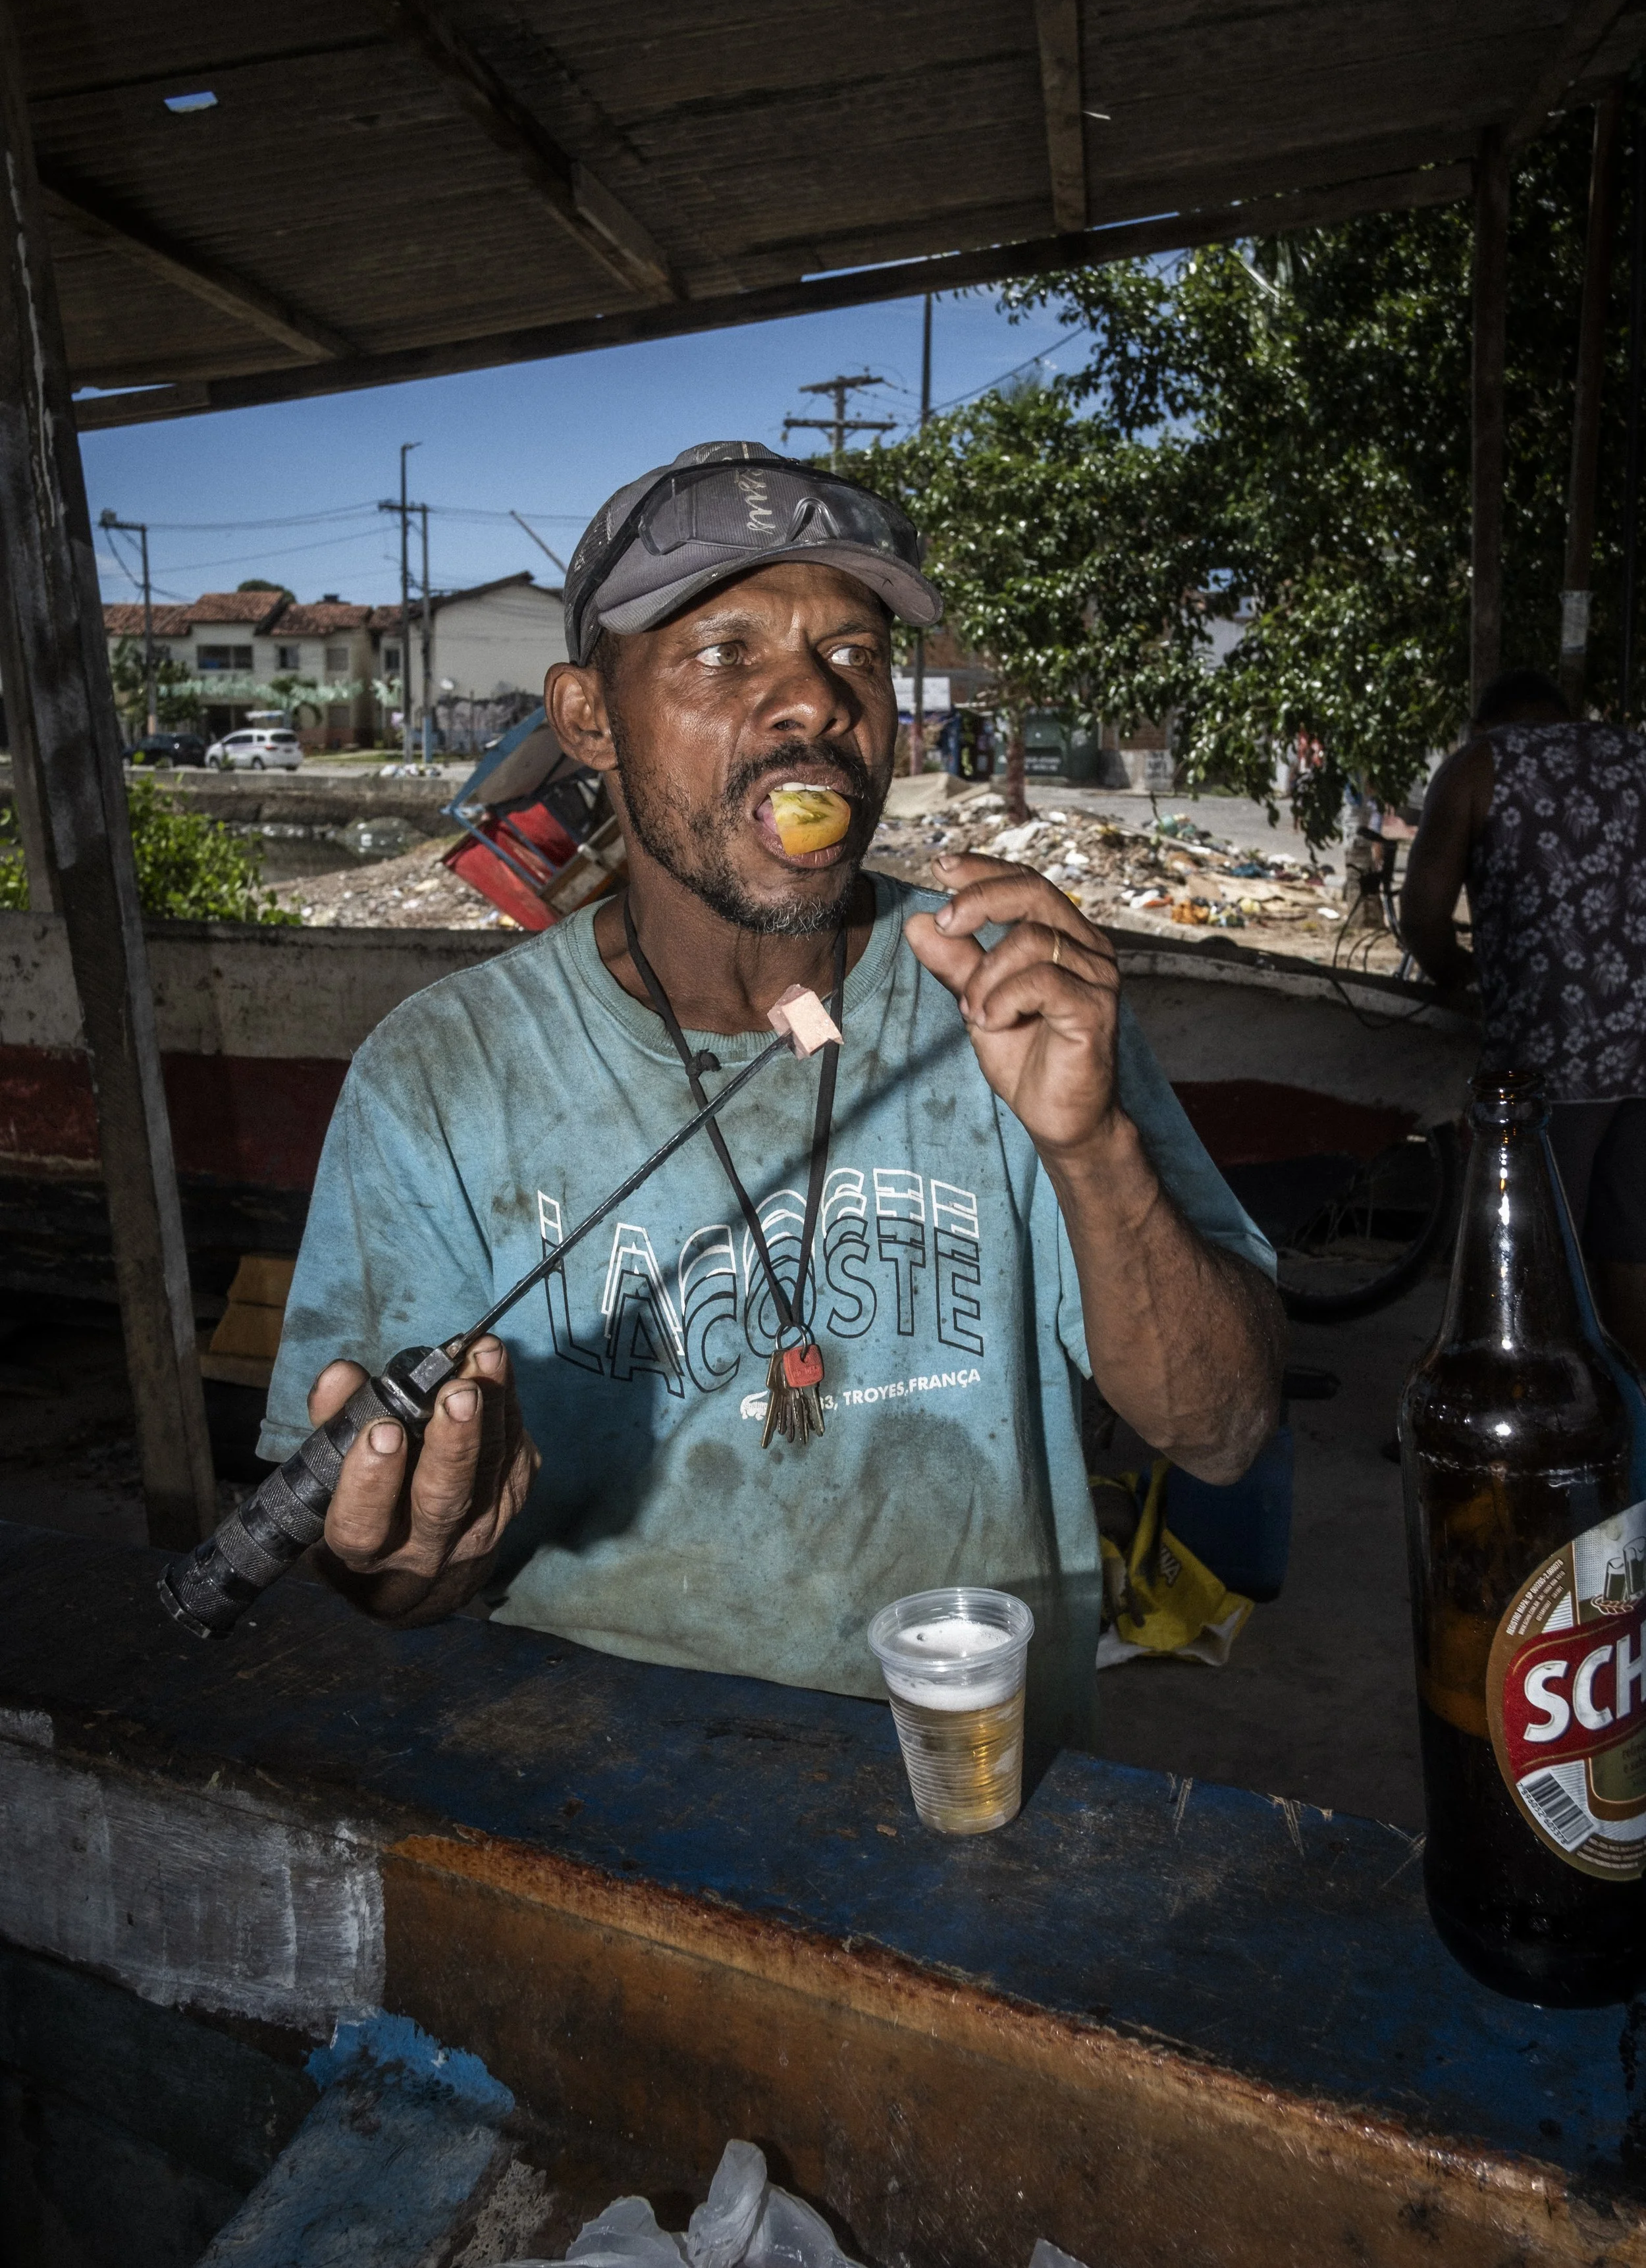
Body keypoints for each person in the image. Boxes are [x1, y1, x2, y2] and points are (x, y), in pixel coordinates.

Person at [260, 441, 1283, 1717]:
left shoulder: (1013, 997)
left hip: (968, 1746)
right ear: (588, 719)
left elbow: (1225, 1434)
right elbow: (381, 1582)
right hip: (583, 1760)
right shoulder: (440, 1075)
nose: (813, 701)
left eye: (853, 654)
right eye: (723, 652)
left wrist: (1089, 1148)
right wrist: (415, 1556)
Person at [1400, 667, 1646, 1366]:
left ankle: (1512, 1427)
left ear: (1486, 724)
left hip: (1546, 1058)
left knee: (1521, 1256)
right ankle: (1632, 1435)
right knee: (1630, 1252)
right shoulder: (1635, 757)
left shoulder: (1479, 766)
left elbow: (1422, 917)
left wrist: (1460, 978)